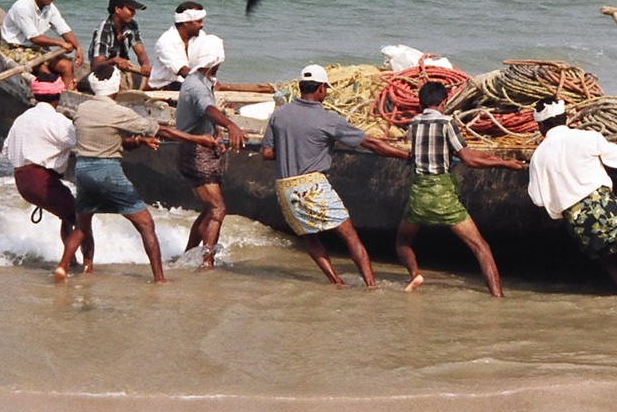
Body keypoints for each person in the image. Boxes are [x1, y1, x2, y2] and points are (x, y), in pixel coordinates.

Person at [60, 67, 218, 284]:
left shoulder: (82, 109)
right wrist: (199, 139)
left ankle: (65, 267)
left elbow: (109, 138)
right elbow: (162, 131)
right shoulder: (119, 113)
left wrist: (137, 141)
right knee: (146, 224)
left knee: (82, 226)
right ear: (116, 88)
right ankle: (159, 278)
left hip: (83, 170)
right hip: (108, 171)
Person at [262, 65, 410, 286]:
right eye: (326, 89)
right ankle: (371, 285)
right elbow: (370, 143)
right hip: (313, 186)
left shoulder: (278, 115)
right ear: (321, 88)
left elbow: (266, 153)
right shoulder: (329, 119)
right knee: (350, 237)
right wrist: (405, 155)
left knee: (309, 237)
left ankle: (336, 281)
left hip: (285, 188)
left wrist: (294, 151)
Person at [395, 81, 525, 296]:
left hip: (419, 194)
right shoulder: (447, 123)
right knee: (481, 247)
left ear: (421, 102)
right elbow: (468, 159)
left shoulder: (414, 124)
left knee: (402, 242)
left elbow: (452, 150)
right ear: (444, 101)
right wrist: (505, 164)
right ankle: (497, 295)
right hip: (443, 195)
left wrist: (490, 157)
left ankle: (415, 273)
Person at [527, 99, 617, 301]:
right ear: (566, 118)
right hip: (602, 203)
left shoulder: (538, 157)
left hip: (575, 217)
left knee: (610, 264)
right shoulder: (587, 137)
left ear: (541, 126)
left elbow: (538, 199)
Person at [2, 75, 92, 279]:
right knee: (82, 219)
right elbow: (79, 142)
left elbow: (7, 150)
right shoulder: (58, 121)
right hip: (40, 179)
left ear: (35, 95)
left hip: (22, 179)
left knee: (67, 215)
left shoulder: (21, 119)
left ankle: (72, 261)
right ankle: (85, 267)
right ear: (58, 97)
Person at [174, 35, 246, 269]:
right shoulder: (197, 87)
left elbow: (206, 113)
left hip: (199, 148)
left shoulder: (199, 80)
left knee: (209, 208)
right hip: (195, 152)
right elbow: (208, 108)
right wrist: (231, 125)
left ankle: (188, 255)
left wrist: (218, 133)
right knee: (218, 208)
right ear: (216, 61)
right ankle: (207, 263)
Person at [0, 0, 84, 90]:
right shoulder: (22, 7)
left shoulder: (49, 7)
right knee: (43, 69)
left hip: (35, 48)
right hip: (13, 48)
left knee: (67, 66)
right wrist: (61, 43)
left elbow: (63, 29)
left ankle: (68, 95)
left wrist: (77, 47)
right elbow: (34, 38)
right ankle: (50, 94)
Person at [89, 0, 151, 88]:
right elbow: (96, 65)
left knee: (153, 81)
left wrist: (145, 64)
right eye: (130, 9)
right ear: (117, 9)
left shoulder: (132, 25)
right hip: (104, 74)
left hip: (123, 71)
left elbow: (141, 52)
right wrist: (115, 60)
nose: (134, 13)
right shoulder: (104, 29)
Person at [148, 1, 207, 90]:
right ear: (186, 22)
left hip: (189, 84)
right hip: (165, 87)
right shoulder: (166, 41)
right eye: (198, 21)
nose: (202, 25)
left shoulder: (201, 36)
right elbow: (182, 70)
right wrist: (208, 83)